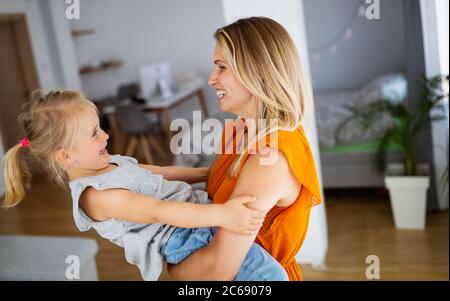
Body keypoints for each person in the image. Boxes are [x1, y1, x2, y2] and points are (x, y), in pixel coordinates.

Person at [1, 89, 289, 281]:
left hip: (194, 217)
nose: (104, 136)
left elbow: (159, 172)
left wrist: (207, 173)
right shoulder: (95, 197)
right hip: (186, 237)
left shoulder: (110, 163)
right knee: (271, 277)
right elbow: (158, 212)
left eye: (100, 127)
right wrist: (223, 214)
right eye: (93, 134)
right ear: (65, 156)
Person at [167, 17, 322, 281]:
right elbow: (217, 184)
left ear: (258, 71)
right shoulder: (238, 131)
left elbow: (218, 269)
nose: (211, 79)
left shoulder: (272, 158)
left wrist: (168, 265)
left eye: (221, 67)